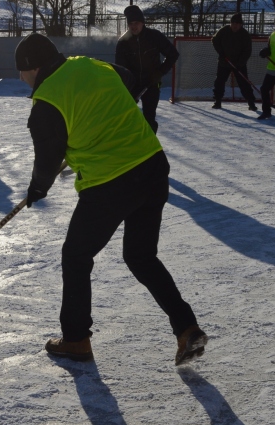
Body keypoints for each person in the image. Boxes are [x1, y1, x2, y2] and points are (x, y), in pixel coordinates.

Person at [15, 33, 206, 365]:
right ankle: (187, 328)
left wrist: (37, 188)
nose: (20, 78)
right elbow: (128, 79)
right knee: (141, 256)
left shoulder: (45, 101)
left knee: (76, 257)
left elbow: (47, 158)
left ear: (32, 68)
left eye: (21, 70)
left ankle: (75, 340)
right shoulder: (89, 64)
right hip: (152, 168)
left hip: (110, 184)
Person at [114, 5, 179, 133]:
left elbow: (173, 54)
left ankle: (150, 148)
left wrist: (159, 72)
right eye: (131, 23)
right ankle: (131, 147)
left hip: (151, 84)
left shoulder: (155, 37)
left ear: (142, 22)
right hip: (132, 85)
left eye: (136, 23)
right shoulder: (123, 42)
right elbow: (120, 68)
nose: (134, 26)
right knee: (126, 118)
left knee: (149, 119)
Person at [211, 13, 257, 111]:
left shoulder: (245, 35)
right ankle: (217, 101)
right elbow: (215, 40)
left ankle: (251, 102)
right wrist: (221, 52)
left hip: (239, 64)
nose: (234, 25)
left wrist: (239, 63)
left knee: (244, 83)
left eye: (237, 23)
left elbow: (247, 51)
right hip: (224, 62)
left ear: (241, 25)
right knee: (219, 81)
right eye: (233, 23)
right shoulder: (224, 31)